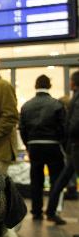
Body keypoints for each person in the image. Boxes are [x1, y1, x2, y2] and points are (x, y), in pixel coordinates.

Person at [19, 75, 66, 221]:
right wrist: (61, 144)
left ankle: (36, 211)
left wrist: (28, 144)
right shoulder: (57, 104)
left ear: (35, 85)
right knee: (55, 180)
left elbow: (22, 128)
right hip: (53, 145)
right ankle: (52, 212)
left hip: (34, 146)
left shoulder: (26, 105)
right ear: (49, 85)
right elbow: (63, 128)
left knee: (36, 180)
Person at [46, 70, 79, 225]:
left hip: (73, 147)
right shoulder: (75, 98)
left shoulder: (76, 99)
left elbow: (73, 124)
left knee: (61, 181)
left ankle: (51, 211)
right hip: (75, 147)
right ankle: (51, 211)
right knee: (62, 180)